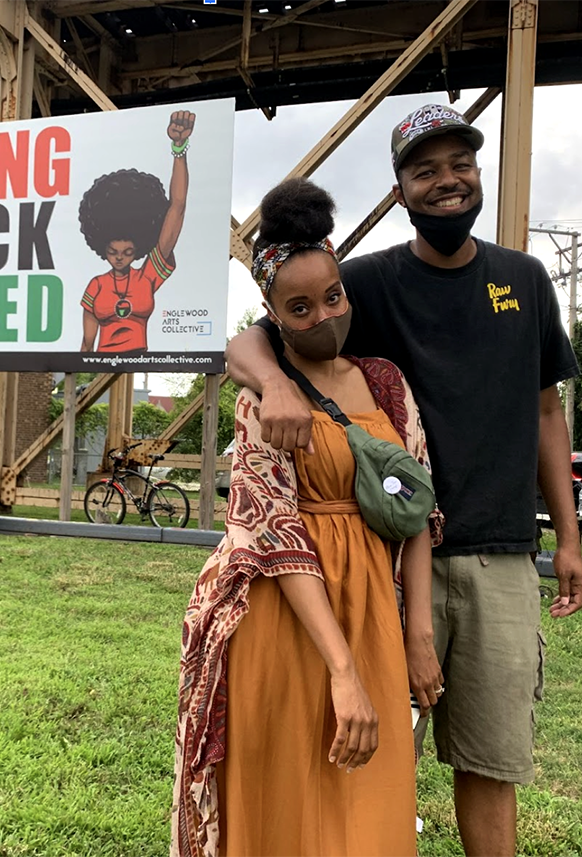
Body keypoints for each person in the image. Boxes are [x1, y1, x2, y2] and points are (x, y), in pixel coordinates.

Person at [225, 104, 582, 857]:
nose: (447, 181)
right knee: (367, 751)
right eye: (426, 170)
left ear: (477, 174)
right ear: (399, 192)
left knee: (490, 760)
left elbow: (548, 411)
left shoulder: (523, 279)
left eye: (460, 164)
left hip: (497, 552)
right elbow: (258, 332)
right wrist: (279, 386)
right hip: (385, 563)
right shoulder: (366, 281)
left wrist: (570, 538)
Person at [173, 178, 443, 857]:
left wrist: (417, 632)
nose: (323, 314)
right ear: (271, 311)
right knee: (286, 803)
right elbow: (275, 533)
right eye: (299, 306)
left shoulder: (385, 382)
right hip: (286, 618)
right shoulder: (267, 399)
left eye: (332, 296)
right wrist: (341, 668)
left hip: (372, 615)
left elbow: (415, 507)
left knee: (369, 805)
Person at [78, 110, 194, 353]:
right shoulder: (96, 286)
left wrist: (179, 148)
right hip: (102, 364)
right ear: (102, 249)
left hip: (141, 358)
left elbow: (178, 206)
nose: (119, 256)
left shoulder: (147, 277)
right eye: (113, 251)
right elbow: (86, 345)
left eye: (128, 251)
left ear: (137, 250)